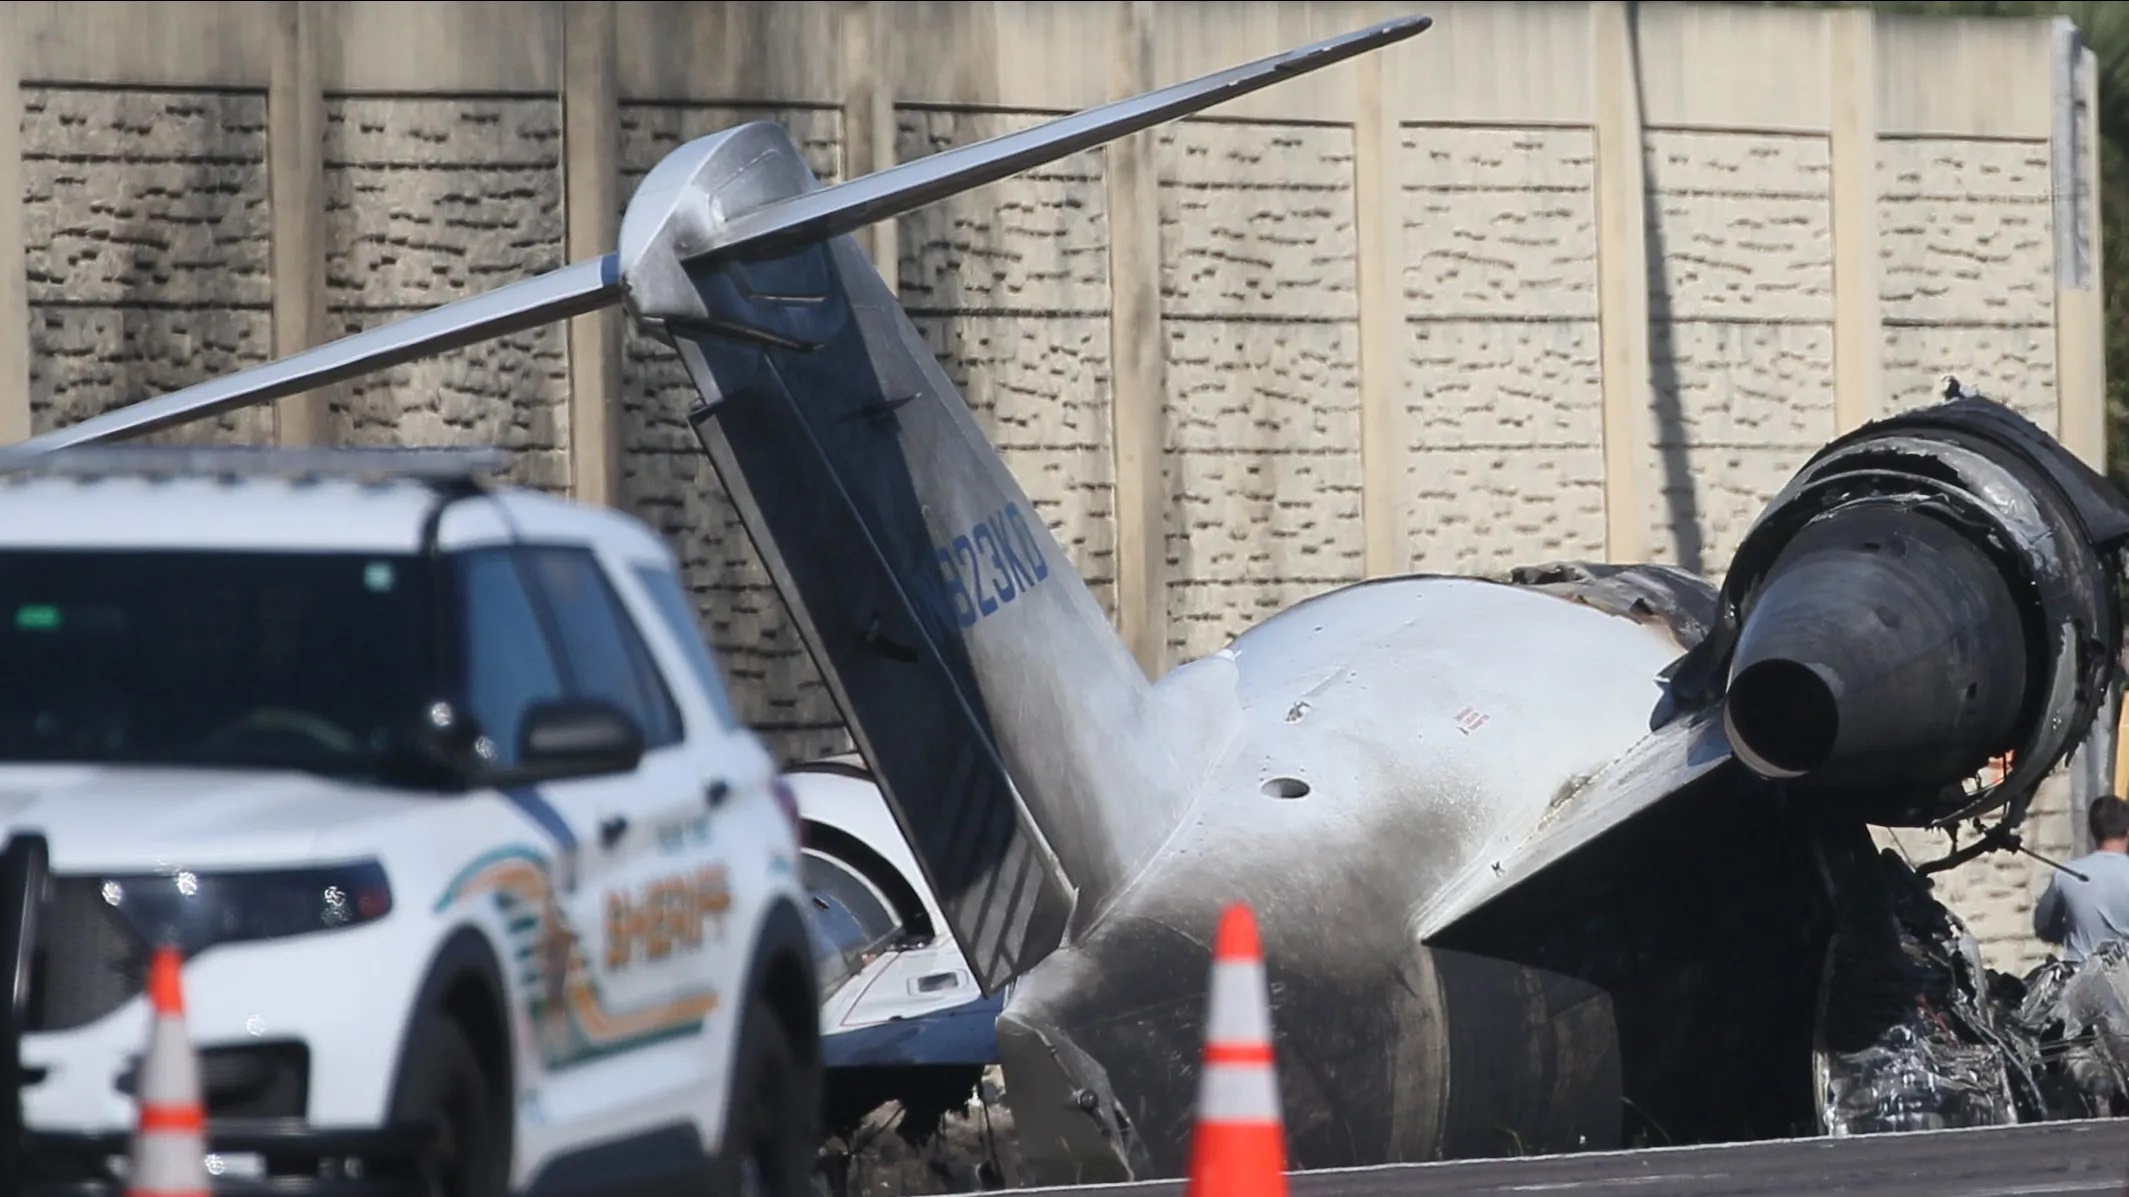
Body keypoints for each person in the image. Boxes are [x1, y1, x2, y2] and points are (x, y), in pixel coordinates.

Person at [2034, 795, 2129, 963]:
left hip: (2080, 980)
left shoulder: (2066, 874)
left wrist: (2071, 933)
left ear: (2092, 830)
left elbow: (2043, 925)